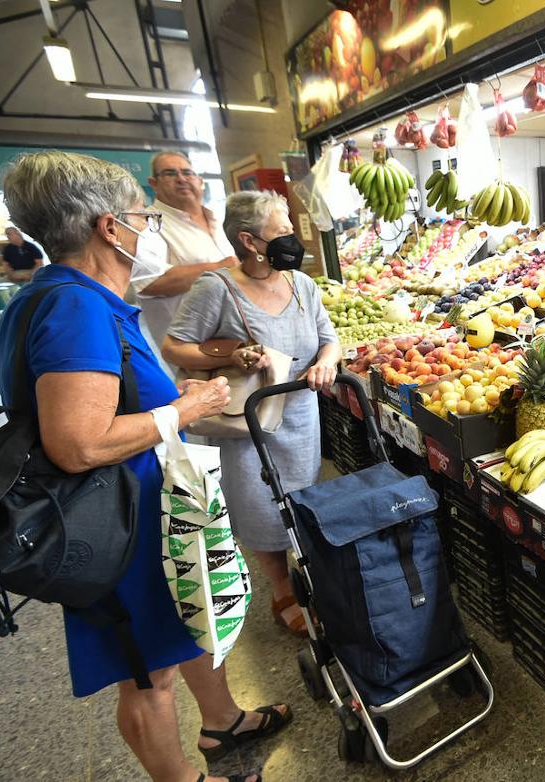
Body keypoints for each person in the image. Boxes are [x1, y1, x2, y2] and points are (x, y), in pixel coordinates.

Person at [0, 150, 291, 782]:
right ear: (108, 226)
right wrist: (189, 406)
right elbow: (78, 443)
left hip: (134, 510)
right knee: (146, 672)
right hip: (113, 520)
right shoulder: (77, 308)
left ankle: (222, 722)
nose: (146, 229)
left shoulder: (46, 297)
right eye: (141, 217)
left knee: (176, 626)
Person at [163, 190, 340, 637]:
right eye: (281, 232)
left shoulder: (302, 284)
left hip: (300, 414)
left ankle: (307, 574)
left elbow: (328, 337)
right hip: (248, 424)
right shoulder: (216, 288)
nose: (292, 239)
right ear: (250, 241)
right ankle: (281, 588)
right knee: (260, 507)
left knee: (299, 498)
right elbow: (174, 345)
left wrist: (326, 362)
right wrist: (236, 352)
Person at [133, 150, 238, 346]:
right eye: (170, 173)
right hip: (191, 350)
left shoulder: (218, 219)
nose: (181, 179)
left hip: (237, 337)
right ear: (153, 183)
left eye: (187, 173)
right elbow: (149, 282)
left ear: (199, 181)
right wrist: (221, 268)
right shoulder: (147, 223)